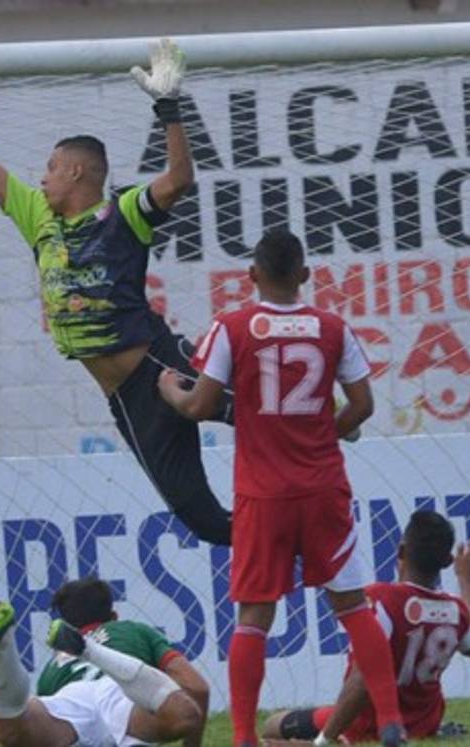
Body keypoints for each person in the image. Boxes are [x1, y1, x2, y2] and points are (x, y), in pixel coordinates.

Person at [0, 27, 234, 545]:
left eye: (49, 168)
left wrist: (168, 108)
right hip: (127, 398)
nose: (40, 178)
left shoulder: (124, 213)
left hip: (159, 362)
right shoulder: (36, 219)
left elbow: (179, 178)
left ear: (73, 171)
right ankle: (284, 537)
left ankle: (331, 429)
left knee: (262, 415)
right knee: (204, 522)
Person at [158, 228, 405, 747]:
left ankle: (245, 737)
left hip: (262, 493)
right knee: (352, 604)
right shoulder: (332, 327)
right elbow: (363, 407)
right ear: (305, 275)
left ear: (250, 275)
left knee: (254, 615)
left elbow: (202, 406)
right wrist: (319, 432)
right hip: (322, 488)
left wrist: (172, 395)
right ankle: (389, 722)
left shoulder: (232, 326)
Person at [262, 511, 470, 744]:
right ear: (447, 562)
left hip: (369, 723)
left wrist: (322, 741)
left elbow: (363, 679)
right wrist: (467, 580)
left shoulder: (382, 598)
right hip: (424, 723)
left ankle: (337, 738)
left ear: (401, 551)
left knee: (271, 726)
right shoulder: (455, 610)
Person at [0, 577, 209, 747]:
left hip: (71, 700)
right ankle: (93, 652)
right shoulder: (133, 630)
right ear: (113, 616)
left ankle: (3, 647)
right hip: (120, 693)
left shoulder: (54, 666)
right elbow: (198, 688)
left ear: (68, 625)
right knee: (184, 716)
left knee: (12, 732)